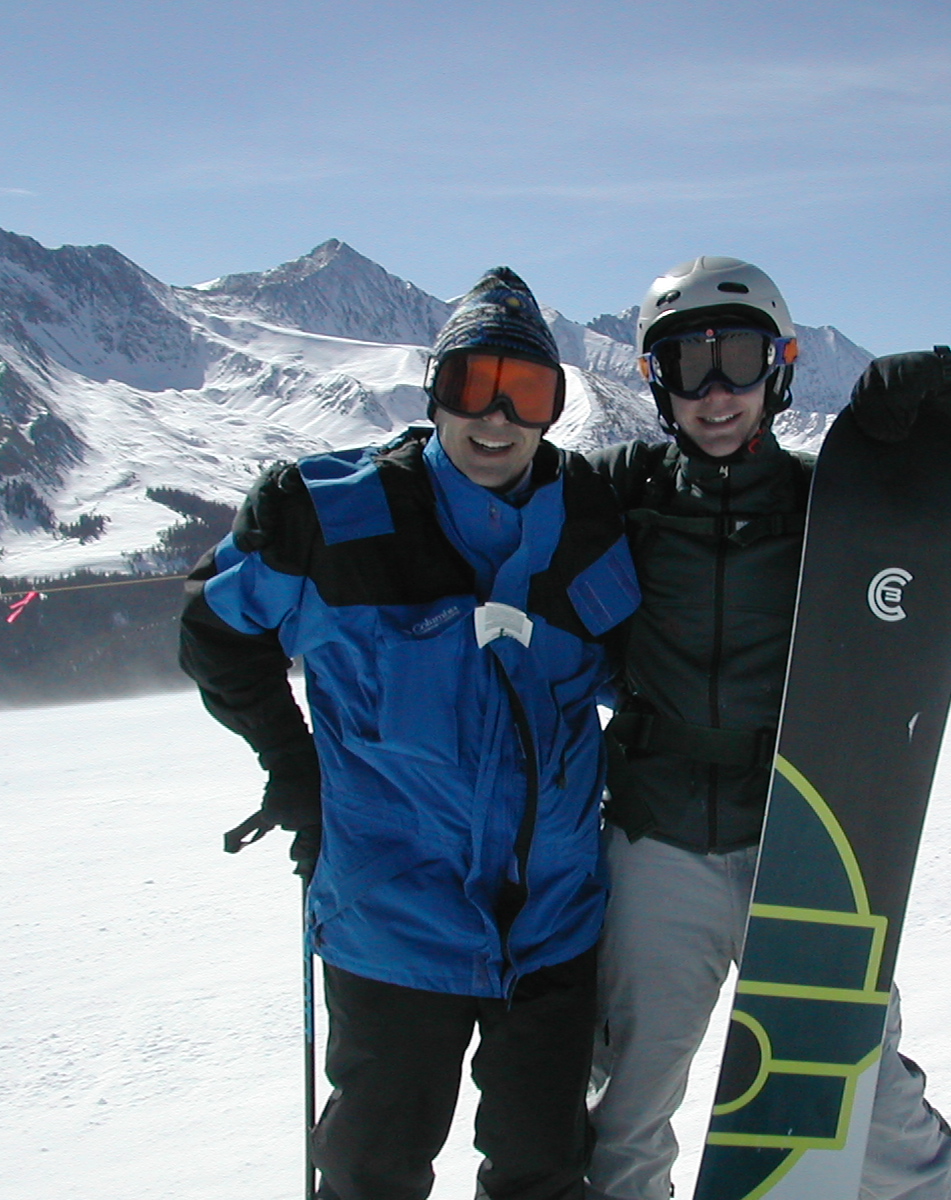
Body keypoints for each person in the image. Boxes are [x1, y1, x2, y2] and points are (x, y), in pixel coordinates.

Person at [584, 257, 951, 1200]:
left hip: (805, 846)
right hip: (659, 842)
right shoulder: (621, 495)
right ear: (656, 383)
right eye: (689, 364)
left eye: (740, 357)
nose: (716, 390)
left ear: (781, 368)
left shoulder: (833, 501)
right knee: (630, 1099)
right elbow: (492, 503)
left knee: (862, 1089)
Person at [179, 267, 641, 1200]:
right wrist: (294, 765)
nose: (497, 417)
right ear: (436, 391)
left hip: (550, 926)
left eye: (528, 392)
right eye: (472, 385)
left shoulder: (589, 523)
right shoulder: (332, 518)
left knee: (545, 1173)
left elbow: (634, 675)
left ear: (555, 406)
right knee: (371, 1174)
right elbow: (216, 631)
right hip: (392, 922)